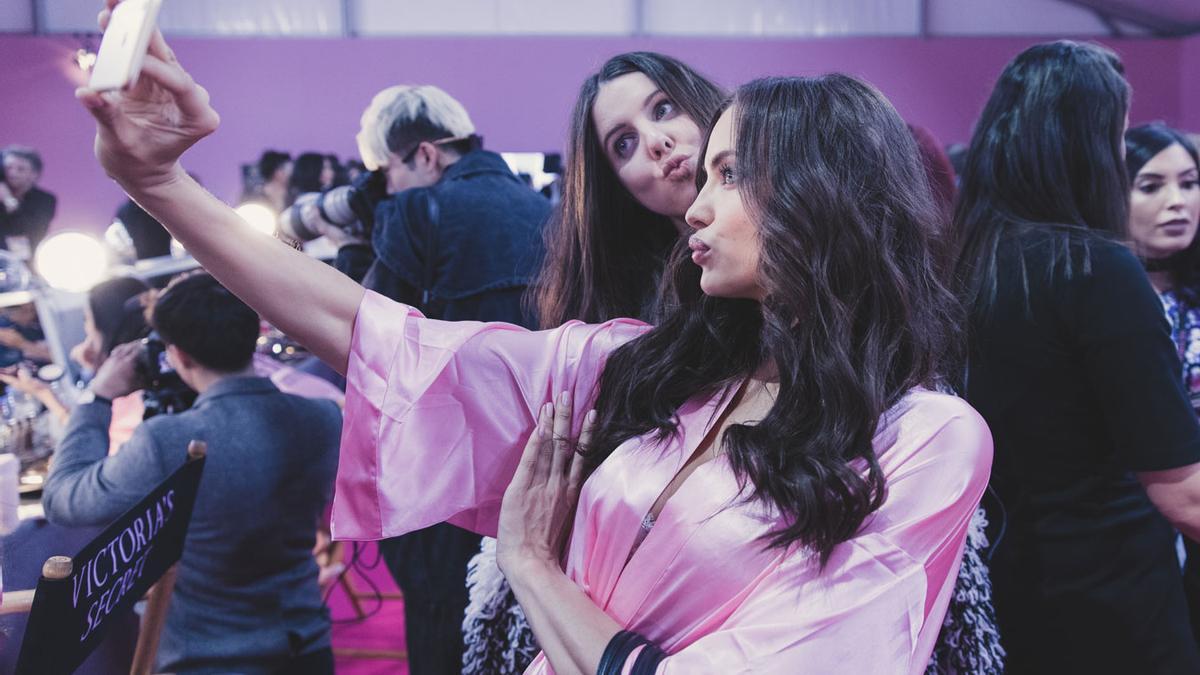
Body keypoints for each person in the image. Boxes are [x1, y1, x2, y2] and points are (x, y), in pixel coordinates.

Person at [75, 13, 990, 671]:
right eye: (629, 144)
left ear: (822, 186)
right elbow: (377, 334)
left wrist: (530, 566)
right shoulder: (638, 367)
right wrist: (162, 185)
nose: (693, 197)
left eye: (724, 166)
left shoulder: (924, 437)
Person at [464, 50, 726, 673]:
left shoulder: (811, 265)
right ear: (617, 185)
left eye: (665, 110)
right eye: (625, 144)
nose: (659, 144)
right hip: (643, 604)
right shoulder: (617, 327)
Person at [953, 42, 1200, 673]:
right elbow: (1183, 492)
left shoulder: (960, 262)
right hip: (1110, 602)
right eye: (1116, 139)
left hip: (1000, 592)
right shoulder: (1093, 269)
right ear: (1088, 145)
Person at [313, 82, 552, 672]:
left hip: (446, 477)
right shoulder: (548, 210)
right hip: (541, 465)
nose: (382, 189)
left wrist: (349, 252)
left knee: (438, 623)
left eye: (385, 171)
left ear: (423, 154)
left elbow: (359, 346)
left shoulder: (415, 211)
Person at [41, 271, 343, 674]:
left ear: (178, 355)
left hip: (207, 658)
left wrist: (97, 398)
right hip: (304, 645)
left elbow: (63, 499)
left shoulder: (169, 440)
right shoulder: (322, 419)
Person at [1123, 122, 1200, 643]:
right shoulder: (1104, 299)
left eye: (1190, 183)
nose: (1178, 202)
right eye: (1151, 186)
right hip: (1141, 534)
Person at [0, 145, 56, 258]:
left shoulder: (45, 200)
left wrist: (8, 200)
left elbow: (32, 230)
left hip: (28, 263)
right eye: (8, 168)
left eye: (20, 169)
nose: (12, 174)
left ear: (34, 174)